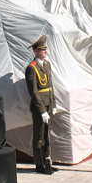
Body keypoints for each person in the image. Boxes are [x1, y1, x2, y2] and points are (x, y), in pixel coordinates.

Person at [25, 35, 58, 175]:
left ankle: (47, 161)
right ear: (36, 52)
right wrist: (42, 110)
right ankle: (39, 165)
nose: (45, 51)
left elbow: (50, 86)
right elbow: (33, 92)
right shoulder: (31, 68)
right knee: (39, 137)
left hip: (49, 105)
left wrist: (54, 103)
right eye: (42, 50)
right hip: (40, 108)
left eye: (45, 49)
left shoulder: (47, 65)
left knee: (47, 134)